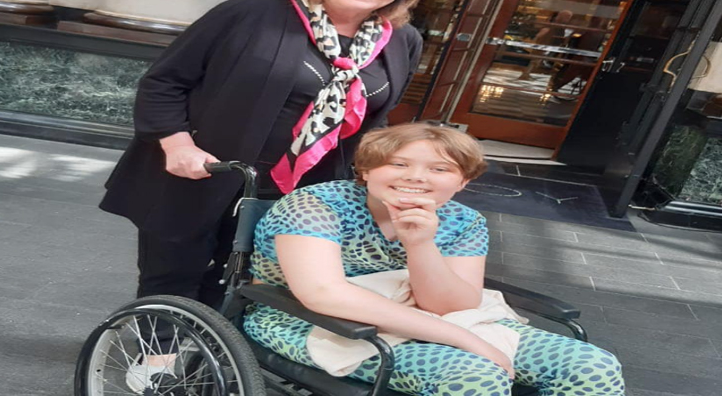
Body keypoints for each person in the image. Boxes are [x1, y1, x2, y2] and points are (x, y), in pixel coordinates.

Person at [98, 0, 429, 392]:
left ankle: (212, 352)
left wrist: (381, 175)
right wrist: (176, 145)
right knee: (176, 269)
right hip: (203, 170)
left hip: (304, 189)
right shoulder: (252, 14)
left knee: (247, 276)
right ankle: (158, 360)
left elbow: (374, 118)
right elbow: (164, 82)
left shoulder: (401, 40)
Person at [244, 123, 625, 396]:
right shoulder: (316, 206)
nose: (416, 178)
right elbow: (324, 295)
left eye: (440, 169)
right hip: (308, 320)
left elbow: (453, 304)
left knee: (591, 366)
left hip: (431, 317)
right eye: (398, 164)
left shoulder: (464, 220)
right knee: (473, 377)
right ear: (365, 170)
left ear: (463, 182)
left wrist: (420, 245)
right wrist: (463, 338)